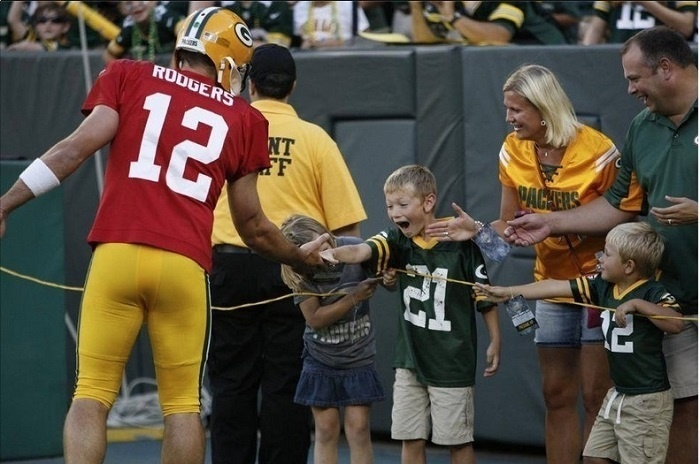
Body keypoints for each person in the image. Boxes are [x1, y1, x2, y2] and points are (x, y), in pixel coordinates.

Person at [0, 7, 328, 463]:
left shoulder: (129, 74)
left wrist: (4, 204)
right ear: (231, 62)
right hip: (184, 265)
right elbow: (253, 226)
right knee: (182, 406)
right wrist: (300, 259)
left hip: (117, 253)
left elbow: (72, 151)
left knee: (90, 396)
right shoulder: (245, 118)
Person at [503, 26, 698, 464]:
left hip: (651, 293)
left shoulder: (597, 148)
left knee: (614, 396)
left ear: (666, 68)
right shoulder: (642, 128)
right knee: (684, 407)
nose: (628, 90)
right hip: (673, 292)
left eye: (634, 78)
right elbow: (617, 206)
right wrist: (550, 223)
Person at [428, 63, 620, 464]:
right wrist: (477, 231)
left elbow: (624, 216)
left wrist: (557, 224)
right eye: (506, 108)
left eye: (516, 110)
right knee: (556, 393)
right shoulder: (512, 149)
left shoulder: (599, 151)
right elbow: (509, 223)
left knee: (596, 395)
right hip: (547, 284)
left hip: (598, 286)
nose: (508, 118)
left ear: (545, 108)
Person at [207, 43, 367, 464]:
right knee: (287, 386)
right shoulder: (316, 140)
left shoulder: (224, 129)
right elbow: (348, 228)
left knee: (229, 385)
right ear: (293, 87)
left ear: (249, 83)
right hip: (295, 271)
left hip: (229, 265)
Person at [321, 164, 501, 464]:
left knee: (457, 440)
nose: (394, 213)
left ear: (428, 202)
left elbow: (484, 295)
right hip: (409, 362)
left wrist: (495, 338)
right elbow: (364, 251)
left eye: (403, 205)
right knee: (409, 436)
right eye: (389, 206)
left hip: (452, 362)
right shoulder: (396, 240)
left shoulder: (460, 244)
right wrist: (332, 254)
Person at [475, 221, 684, 464]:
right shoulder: (602, 286)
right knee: (594, 456)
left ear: (628, 266)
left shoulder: (653, 292)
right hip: (618, 395)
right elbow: (555, 285)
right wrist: (510, 291)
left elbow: (676, 323)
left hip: (646, 400)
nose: (600, 258)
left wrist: (637, 305)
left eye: (606, 254)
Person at [279, 214, 386, 464]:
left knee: (358, 428)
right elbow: (314, 318)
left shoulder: (350, 246)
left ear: (329, 236)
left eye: (326, 247)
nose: (324, 257)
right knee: (326, 429)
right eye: (315, 254)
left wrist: (387, 276)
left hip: (358, 357)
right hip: (320, 359)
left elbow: (383, 274)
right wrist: (354, 297)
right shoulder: (299, 272)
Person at [409, 0, 568, 45]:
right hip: (499, 64)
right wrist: (415, 6)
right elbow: (423, 41)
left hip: (547, 56)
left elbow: (499, 36)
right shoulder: (446, 3)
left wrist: (453, 18)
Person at [103, 1, 186, 63]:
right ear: (122, 9)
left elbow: (186, 36)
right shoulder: (128, 28)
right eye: (128, 2)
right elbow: (109, 54)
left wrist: (173, 72)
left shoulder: (166, 17)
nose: (136, 5)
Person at [582, 1, 697, 45]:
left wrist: (646, 3)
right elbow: (595, 29)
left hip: (659, 56)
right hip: (617, 55)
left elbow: (686, 26)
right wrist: (584, 54)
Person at [189, 1, 295, 48]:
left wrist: (229, 43)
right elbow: (202, 37)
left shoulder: (276, 4)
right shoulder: (221, 5)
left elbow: (279, 47)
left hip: (264, 66)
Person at [293, 1, 370, 49]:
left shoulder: (349, 4)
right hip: (311, 62)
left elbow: (367, 41)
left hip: (345, 60)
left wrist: (340, 44)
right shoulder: (300, 7)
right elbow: (302, 39)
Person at [7, 3, 72, 52]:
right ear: (36, 25)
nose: (48, 25)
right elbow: (13, 20)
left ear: (66, 27)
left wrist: (28, 46)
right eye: (42, 20)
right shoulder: (32, 37)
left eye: (55, 20)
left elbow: (53, 48)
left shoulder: (68, 46)